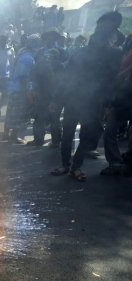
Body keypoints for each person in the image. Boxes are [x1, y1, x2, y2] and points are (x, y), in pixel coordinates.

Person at [51, 12, 123, 182]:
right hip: (79, 100)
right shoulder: (83, 52)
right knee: (73, 134)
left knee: (81, 135)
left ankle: (73, 166)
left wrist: (107, 103)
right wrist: (55, 98)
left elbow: (111, 81)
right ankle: (69, 166)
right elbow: (67, 76)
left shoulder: (112, 53)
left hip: (91, 101)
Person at [101, 35, 132, 175]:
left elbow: (118, 78)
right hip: (123, 98)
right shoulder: (128, 54)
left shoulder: (128, 55)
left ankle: (115, 163)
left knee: (110, 130)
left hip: (124, 98)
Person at [3, 34, 40, 144]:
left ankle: (6, 134)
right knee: (19, 114)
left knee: (11, 113)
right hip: (20, 90)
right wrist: (26, 93)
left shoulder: (23, 54)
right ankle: (14, 136)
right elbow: (23, 77)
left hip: (14, 89)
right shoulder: (28, 58)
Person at [30, 48, 64, 146]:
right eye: (46, 56)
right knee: (38, 119)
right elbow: (32, 78)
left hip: (53, 96)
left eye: (51, 57)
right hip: (41, 95)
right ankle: (38, 140)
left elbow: (55, 82)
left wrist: (49, 69)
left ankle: (56, 142)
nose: (48, 59)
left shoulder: (60, 66)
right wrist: (37, 65)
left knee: (54, 119)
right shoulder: (40, 65)